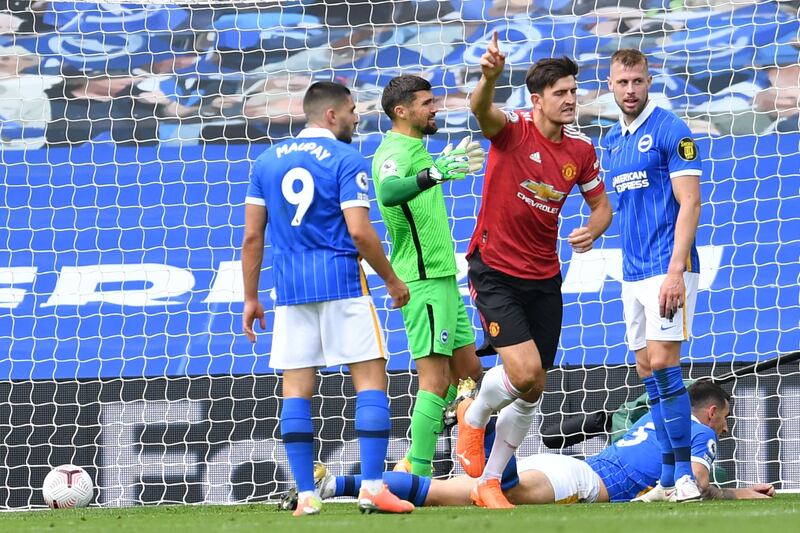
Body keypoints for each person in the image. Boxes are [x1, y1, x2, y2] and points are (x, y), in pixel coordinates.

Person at [455, 31, 612, 508]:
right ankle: (473, 416)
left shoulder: (581, 151)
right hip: (495, 268)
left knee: (534, 385)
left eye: (573, 91)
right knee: (521, 372)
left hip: (545, 276)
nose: (570, 100)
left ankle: (490, 480)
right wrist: (489, 78)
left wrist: (593, 229)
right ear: (536, 99)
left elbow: (601, 207)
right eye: (560, 93)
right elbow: (481, 111)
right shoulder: (513, 130)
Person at [241, 81, 413, 516]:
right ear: (332, 116)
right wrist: (391, 279)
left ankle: (306, 495)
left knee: (296, 390)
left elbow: (251, 238)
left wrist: (250, 298)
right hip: (342, 283)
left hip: (290, 290)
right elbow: (358, 230)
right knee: (371, 382)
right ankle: (373, 487)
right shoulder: (345, 159)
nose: (358, 118)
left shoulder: (265, 162)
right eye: (353, 110)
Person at [313, 381, 775, 506]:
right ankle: (481, 422)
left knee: (443, 492)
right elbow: (694, 482)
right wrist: (728, 491)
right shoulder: (698, 432)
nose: (727, 428)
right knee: (503, 491)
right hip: (584, 481)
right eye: (727, 419)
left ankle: (336, 485)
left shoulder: (656, 416)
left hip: (564, 466)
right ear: (710, 413)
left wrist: (739, 490)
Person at [371, 74, 485, 477]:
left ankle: (425, 448)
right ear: (402, 112)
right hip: (421, 281)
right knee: (434, 383)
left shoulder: (417, 147)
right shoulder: (395, 151)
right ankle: (416, 472)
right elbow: (387, 192)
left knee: (470, 374)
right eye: (426, 103)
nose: (435, 108)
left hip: (442, 277)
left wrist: (434, 170)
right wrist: (432, 175)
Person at [602, 48, 704, 502]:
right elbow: (617, 207)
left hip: (668, 267)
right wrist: (591, 230)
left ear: (649, 81)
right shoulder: (612, 141)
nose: (630, 90)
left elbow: (691, 202)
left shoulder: (671, 131)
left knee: (664, 364)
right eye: (622, 83)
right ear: (610, 85)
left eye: (637, 81)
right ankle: (665, 477)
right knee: (646, 369)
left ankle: (684, 474)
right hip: (632, 270)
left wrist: (676, 272)